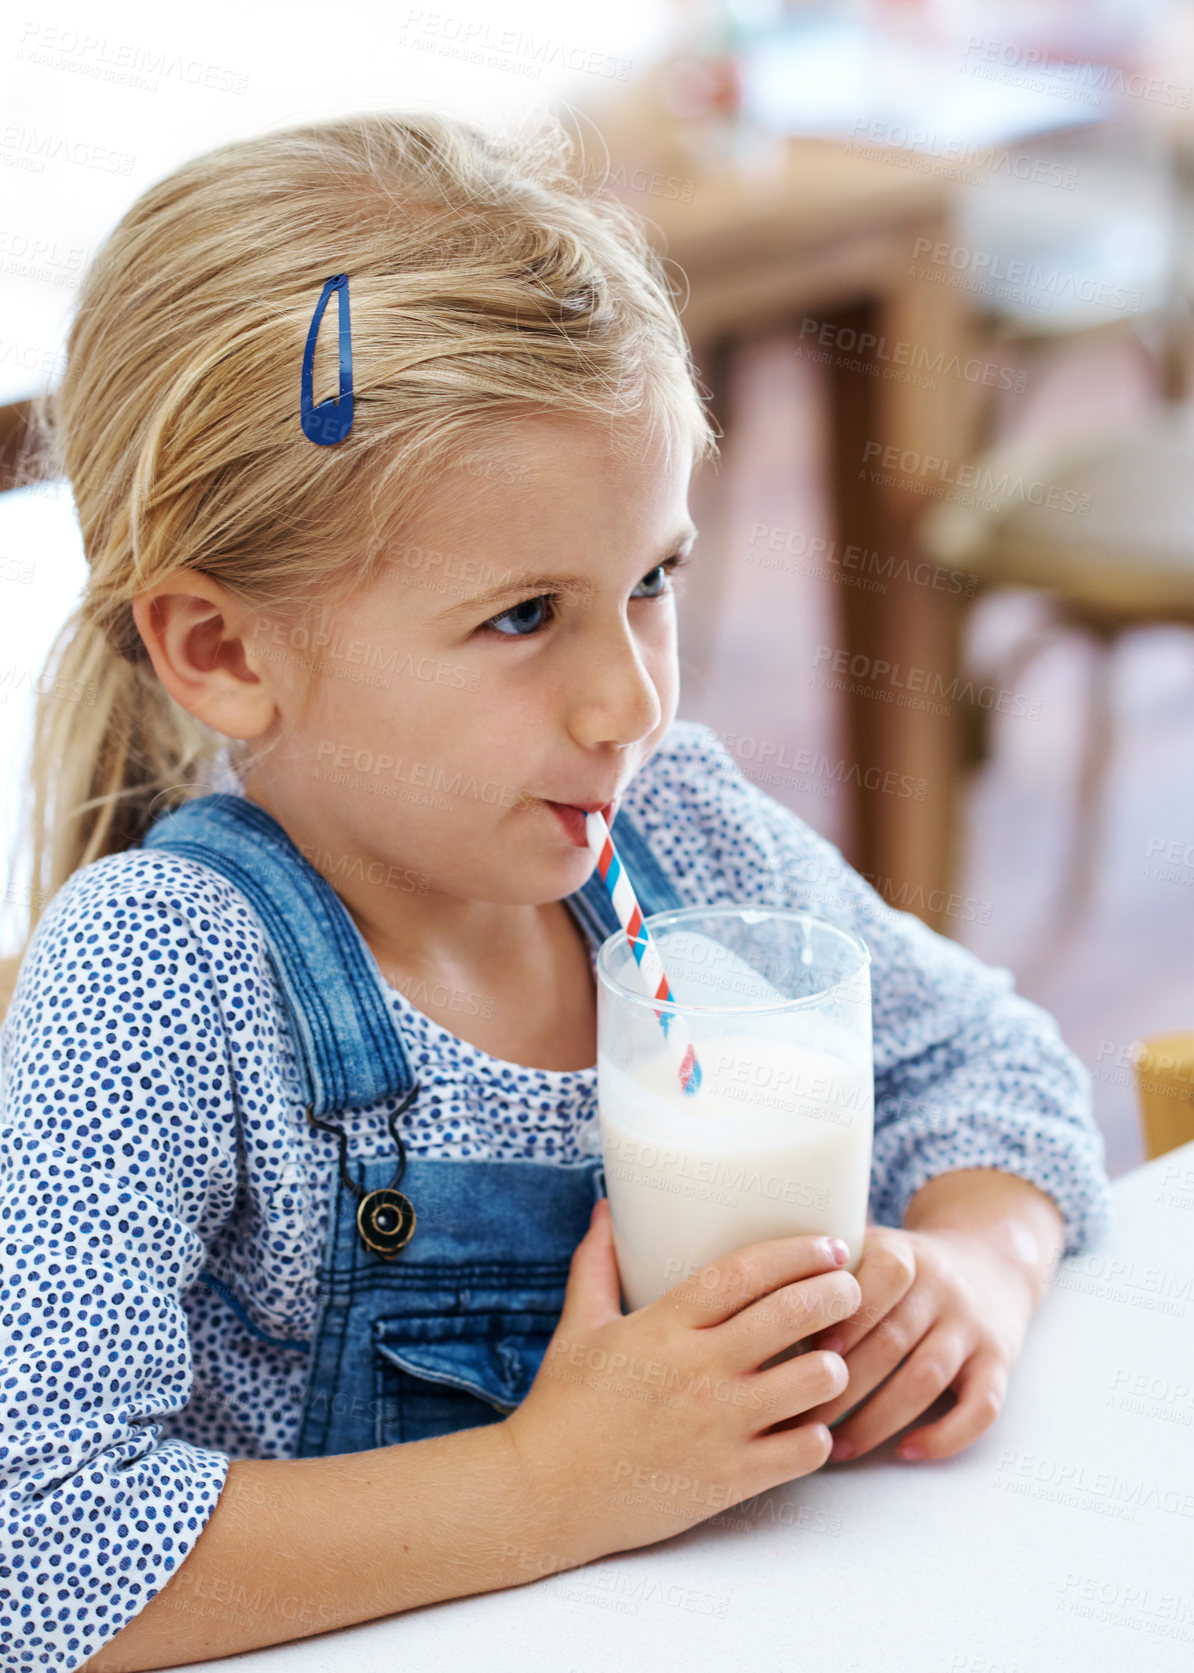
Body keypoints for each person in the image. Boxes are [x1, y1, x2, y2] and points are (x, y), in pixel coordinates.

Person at [0, 109, 1111, 1671]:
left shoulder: (683, 841)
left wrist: (969, 1272)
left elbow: (992, 1067)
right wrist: (551, 1482)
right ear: (223, 651)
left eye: (649, 580)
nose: (628, 703)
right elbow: (34, 1542)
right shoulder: (162, 979)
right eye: (525, 616)